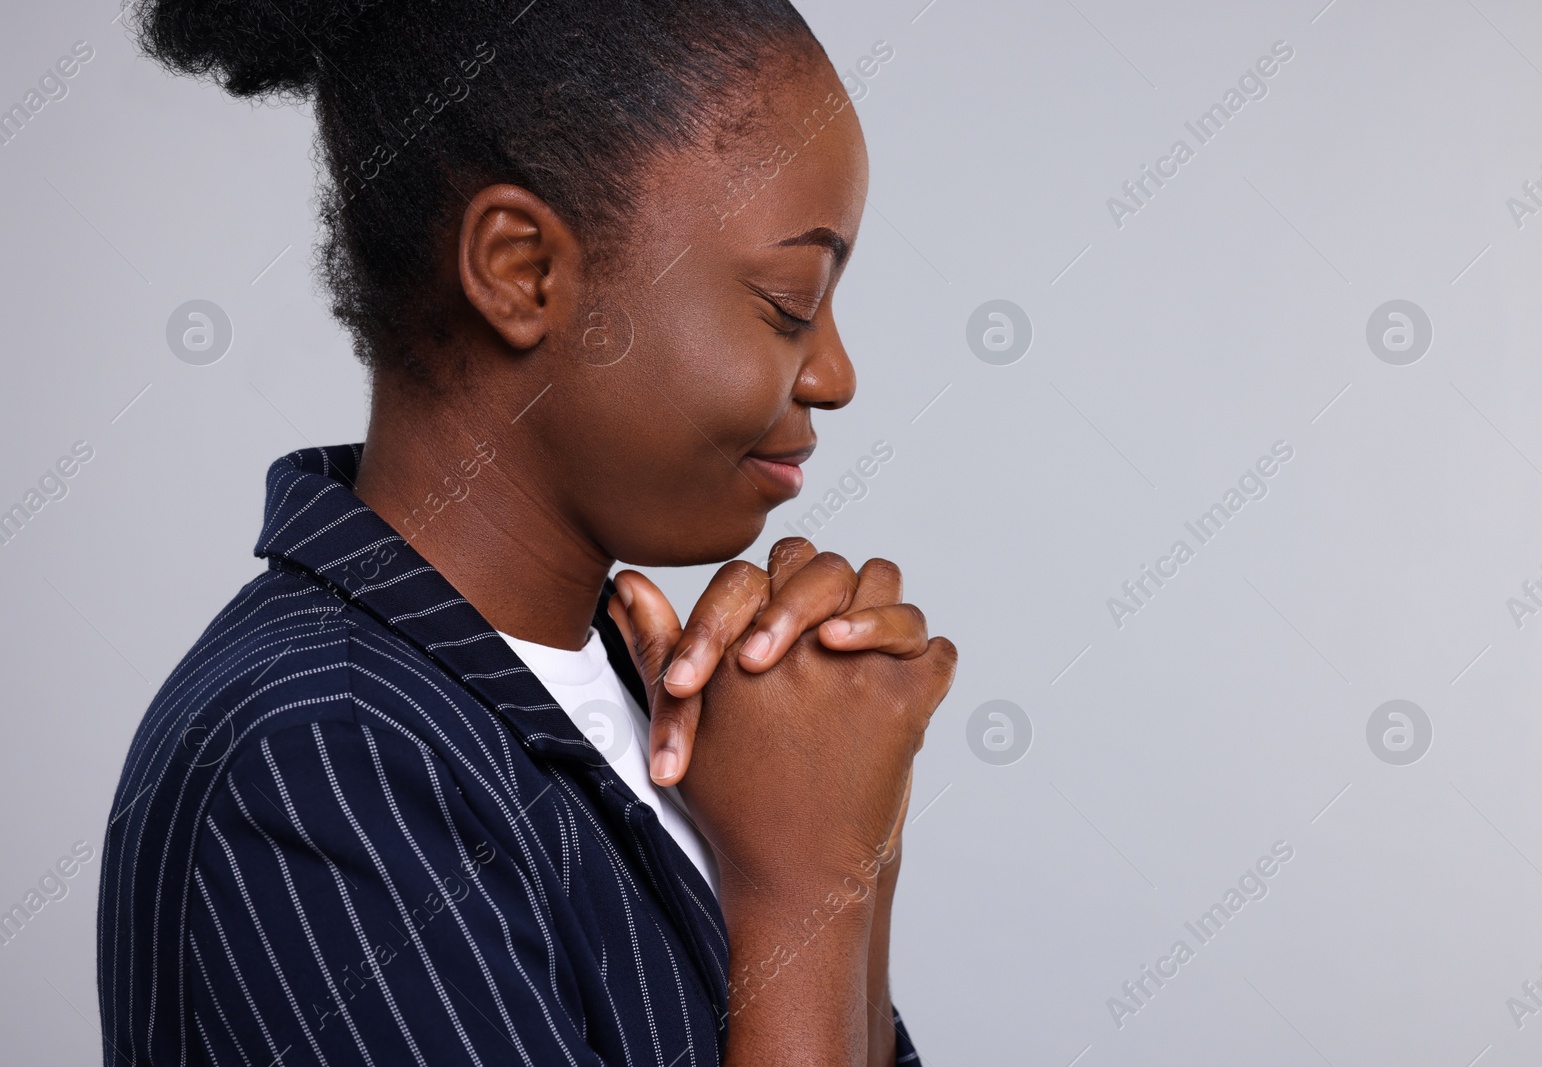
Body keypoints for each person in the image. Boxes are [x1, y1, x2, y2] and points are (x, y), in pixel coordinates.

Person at [98, 1, 958, 1065]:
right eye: (789, 303)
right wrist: (811, 888)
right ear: (521, 269)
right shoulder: (318, 761)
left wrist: (853, 845)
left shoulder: (643, 698)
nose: (834, 374)